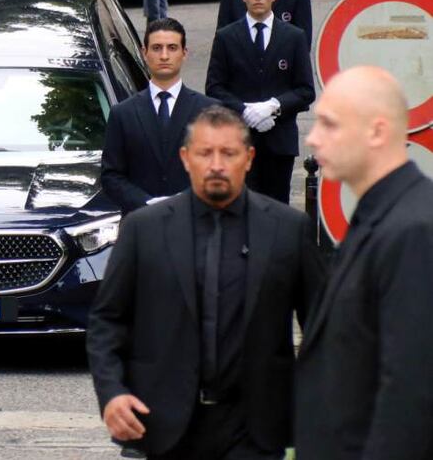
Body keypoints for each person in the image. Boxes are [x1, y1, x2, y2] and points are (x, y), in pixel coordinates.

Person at [88, 105, 325, 460]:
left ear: (249, 158)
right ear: (186, 158)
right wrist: (113, 393)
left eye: (228, 153)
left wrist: (315, 404)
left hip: (256, 431)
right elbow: (107, 321)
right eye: (205, 153)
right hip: (165, 426)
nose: (216, 164)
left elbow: (324, 327)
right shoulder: (144, 229)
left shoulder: (288, 230)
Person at [296, 66, 433, 460]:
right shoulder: (380, 216)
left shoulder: (413, 230)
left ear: (376, 131)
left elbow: (411, 394)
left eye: (329, 124)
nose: (313, 137)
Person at [205, 0, 314, 204]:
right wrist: (243, 110)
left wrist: (274, 106)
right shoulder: (226, 37)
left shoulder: (294, 37)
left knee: (276, 209)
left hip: (280, 141)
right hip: (238, 141)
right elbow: (214, 87)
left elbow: (306, 90)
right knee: (239, 208)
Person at [101, 18, 217, 213]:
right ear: (144, 53)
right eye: (156, 48)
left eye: (172, 48)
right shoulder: (123, 113)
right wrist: (145, 203)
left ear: (184, 53)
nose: (164, 56)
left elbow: (221, 169)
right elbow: (111, 176)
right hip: (141, 226)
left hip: (197, 225)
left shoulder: (210, 111)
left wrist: (189, 200)